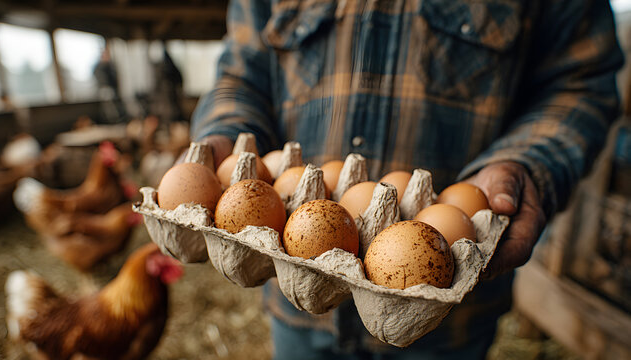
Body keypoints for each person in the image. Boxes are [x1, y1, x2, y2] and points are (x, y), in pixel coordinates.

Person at [190, 0, 624, 358]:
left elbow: (581, 83)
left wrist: (526, 164)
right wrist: (227, 137)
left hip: (446, 318)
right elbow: (240, 77)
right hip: (294, 298)